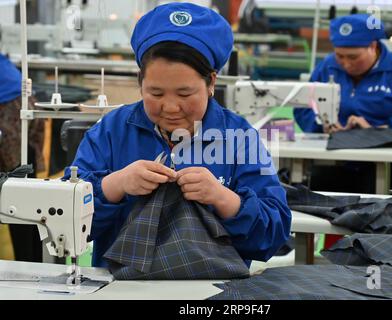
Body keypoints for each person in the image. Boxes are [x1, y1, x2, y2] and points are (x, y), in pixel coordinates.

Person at [65, 2, 291, 268]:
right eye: (156, 94)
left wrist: (223, 198)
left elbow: (274, 236)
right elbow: (64, 217)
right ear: (140, 83)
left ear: (211, 83)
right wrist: (116, 185)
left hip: (213, 293)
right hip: (120, 289)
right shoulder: (111, 131)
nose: (170, 107)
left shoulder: (240, 138)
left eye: (185, 94)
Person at [294, 14, 392, 194]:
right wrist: (322, 125)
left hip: (390, 165)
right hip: (333, 159)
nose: (345, 63)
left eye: (353, 57)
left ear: (373, 46)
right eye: (340, 56)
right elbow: (303, 107)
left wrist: (380, 130)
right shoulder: (328, 66)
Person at [0, 53, 45, 262]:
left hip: (12, 112)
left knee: (17, 197)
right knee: (24, 195)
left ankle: (29, 263)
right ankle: (32, 262)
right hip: (21, 110)